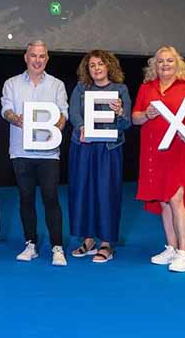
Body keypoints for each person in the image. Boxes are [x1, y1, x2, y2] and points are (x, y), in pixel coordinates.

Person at [132, 45, 185, 273]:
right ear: (154, 65)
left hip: (178, 151)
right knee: (163, 200)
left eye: (169, 61)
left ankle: (184, 253)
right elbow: (135, 118)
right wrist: (145, 114)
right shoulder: (147, 87)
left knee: (177, 199)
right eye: (160, 61)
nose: (165, 65)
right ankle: (171, 247)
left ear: (177, 64)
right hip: (153, 152)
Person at [1, 40, 69, 266]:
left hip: (49, 152)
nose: (37, 60)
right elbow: (6, 109)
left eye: (42, 56)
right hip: (21, 151)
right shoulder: (11, 83)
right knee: (26, 198)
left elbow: (63, 113)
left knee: (51, 198)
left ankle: (57, 247)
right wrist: (14, 118)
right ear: (26, 57)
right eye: (33, 56)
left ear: (47, 59)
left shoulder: (57, 84)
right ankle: (30, 244)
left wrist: (56, 129)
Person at [67, 50, 132, 264]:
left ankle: (106, 243)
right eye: (92, 65)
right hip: (84, 147)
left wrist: (120, 111)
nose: (96, 68)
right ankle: (88, 240)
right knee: (83, 193)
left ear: (109, 67)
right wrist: (82, 126)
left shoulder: (120, 90)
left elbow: (126, 123)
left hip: (109, 149)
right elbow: (73, 113)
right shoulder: (81, 88)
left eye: (100, 64)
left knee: (107, 194)